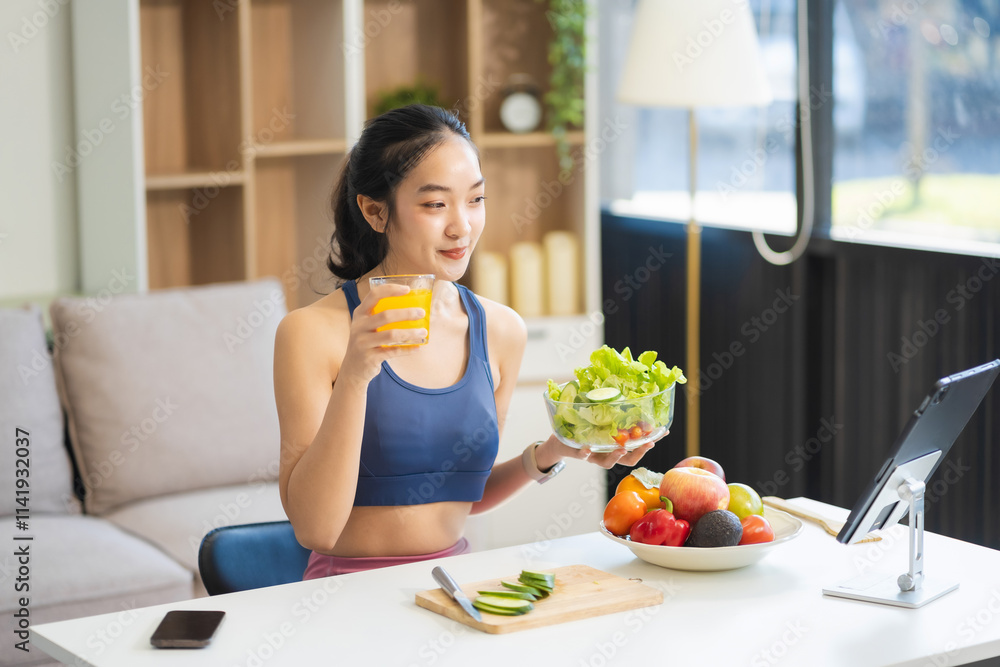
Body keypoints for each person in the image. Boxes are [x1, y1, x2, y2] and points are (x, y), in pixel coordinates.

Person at [273, 104, 661, 580]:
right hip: (345, 593)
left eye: (475, 199)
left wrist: (555, 450)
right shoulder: (310, 333)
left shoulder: (501, 331)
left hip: (452, 586)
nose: (462, 226)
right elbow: (315, 529)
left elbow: (466, 493)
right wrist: (356, 374)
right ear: (375, 211)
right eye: (436, 204)